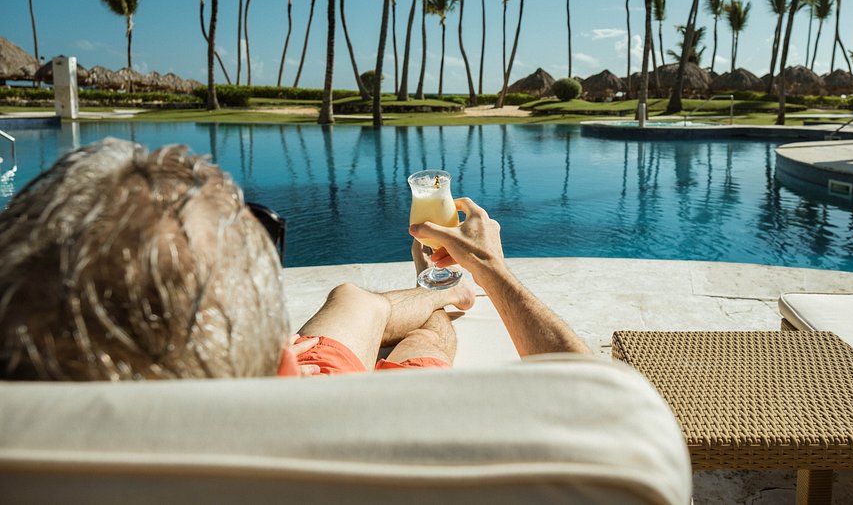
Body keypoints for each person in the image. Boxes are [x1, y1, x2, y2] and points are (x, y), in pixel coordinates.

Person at [0, 138, 587, 381]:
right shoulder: (377, 433)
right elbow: (600, 392)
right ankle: (448, 293)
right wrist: (494, 270)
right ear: (264, 340)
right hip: (327, 404)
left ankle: (436, 287)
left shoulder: (33, 435)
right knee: (429, 340)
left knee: (352, 299)